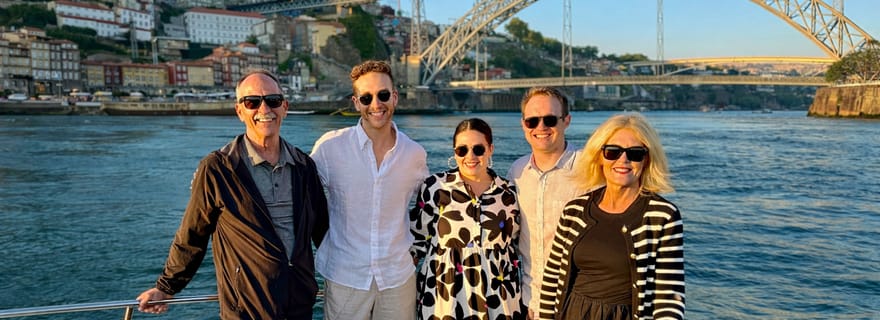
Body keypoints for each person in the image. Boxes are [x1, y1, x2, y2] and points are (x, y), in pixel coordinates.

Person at [136, 70, 330, 319]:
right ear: (239, 111)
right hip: (246, 307)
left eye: (273, 100)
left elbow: (323, 231)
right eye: (252, 102)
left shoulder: (303, 165)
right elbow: (193, 234)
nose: (264, 109)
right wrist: (166, 287)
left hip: (298, 303)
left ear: (285, 107)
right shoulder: (218, 168)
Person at [310, 60, 429, 320]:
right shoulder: (330, 148)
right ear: (356, 103)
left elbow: (431, 205)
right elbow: (300, 193)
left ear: (394, 97)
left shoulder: (414, 154)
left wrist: (417, 250)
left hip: (398, 278)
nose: (376, 104)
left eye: (383, 95)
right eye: (366, 98)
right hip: (346, 277)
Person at [538, 113, 685, 320]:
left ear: (647, 160)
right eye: (612, 152)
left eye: (635, 153)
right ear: (599, 157)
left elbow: (669, 298)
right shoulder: (574, 211)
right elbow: (552, 279)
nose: (623, 160)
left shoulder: (662, 216)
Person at [410, 118, 524, 319]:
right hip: (444, 298)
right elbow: (416, 242)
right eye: (462, 150)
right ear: (454, 152)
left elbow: (519, 245)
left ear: (490, 149)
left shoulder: (508, 193)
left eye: (478, 149)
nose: (470, 156)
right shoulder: (435, 188)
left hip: (499, 298)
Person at [506, 86, 587, 319]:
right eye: (532, 121)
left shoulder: (589, 169)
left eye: (550, 120)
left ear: (566, 121)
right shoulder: (517, 172)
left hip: (578, 303)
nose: (540, 127)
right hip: (531, 303)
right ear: (523, 125)